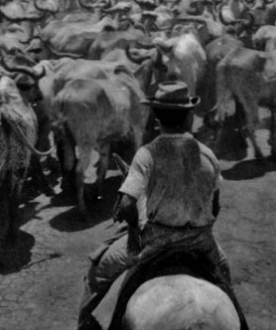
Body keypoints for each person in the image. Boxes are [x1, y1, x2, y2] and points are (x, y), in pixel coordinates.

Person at [77, 81, 248, 330]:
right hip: (201, 241)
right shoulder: (207, 154)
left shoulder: (147, 154)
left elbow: (126, 205)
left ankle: (85, 326)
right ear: (189, 116)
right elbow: (216, 206)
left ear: (155, 117)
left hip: (153, 240)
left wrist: (135, 231)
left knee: (98, 271)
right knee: (225, 278)